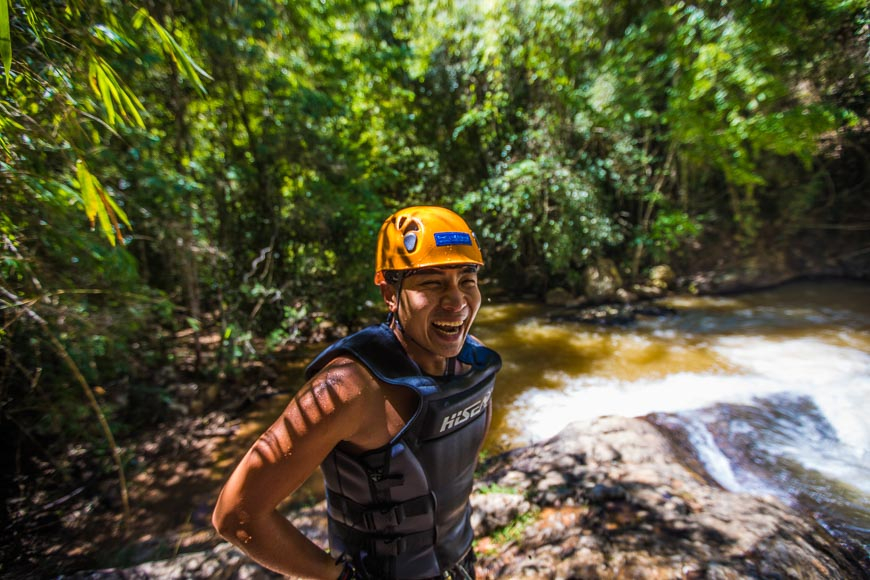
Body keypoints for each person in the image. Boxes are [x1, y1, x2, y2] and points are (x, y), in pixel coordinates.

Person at [212, 206, 502, 579]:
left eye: (467, 280)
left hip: (461, 564)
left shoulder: (476, 365)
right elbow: (237, 514)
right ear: (390, 294)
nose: (457, 302)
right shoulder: (347, 388)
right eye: (432, 283)